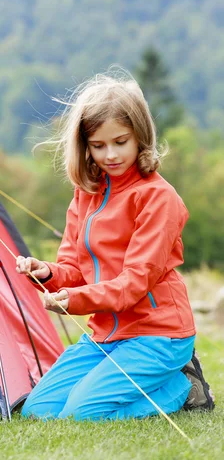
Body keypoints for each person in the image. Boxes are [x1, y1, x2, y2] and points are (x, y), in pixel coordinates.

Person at [16, 72, 214, 421]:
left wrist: (75, 301)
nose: (110, 155)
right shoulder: (86, 195)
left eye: (121, 142)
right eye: (98, 145)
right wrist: (46, 273)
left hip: (158, 335)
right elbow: (75, 270)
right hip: (106, 334)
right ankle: (152, 382)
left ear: (141, 137)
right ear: (86, 146)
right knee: (39, 411)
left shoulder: (158, 198)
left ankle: (183, 386)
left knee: (81, 414)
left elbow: (135, 282)